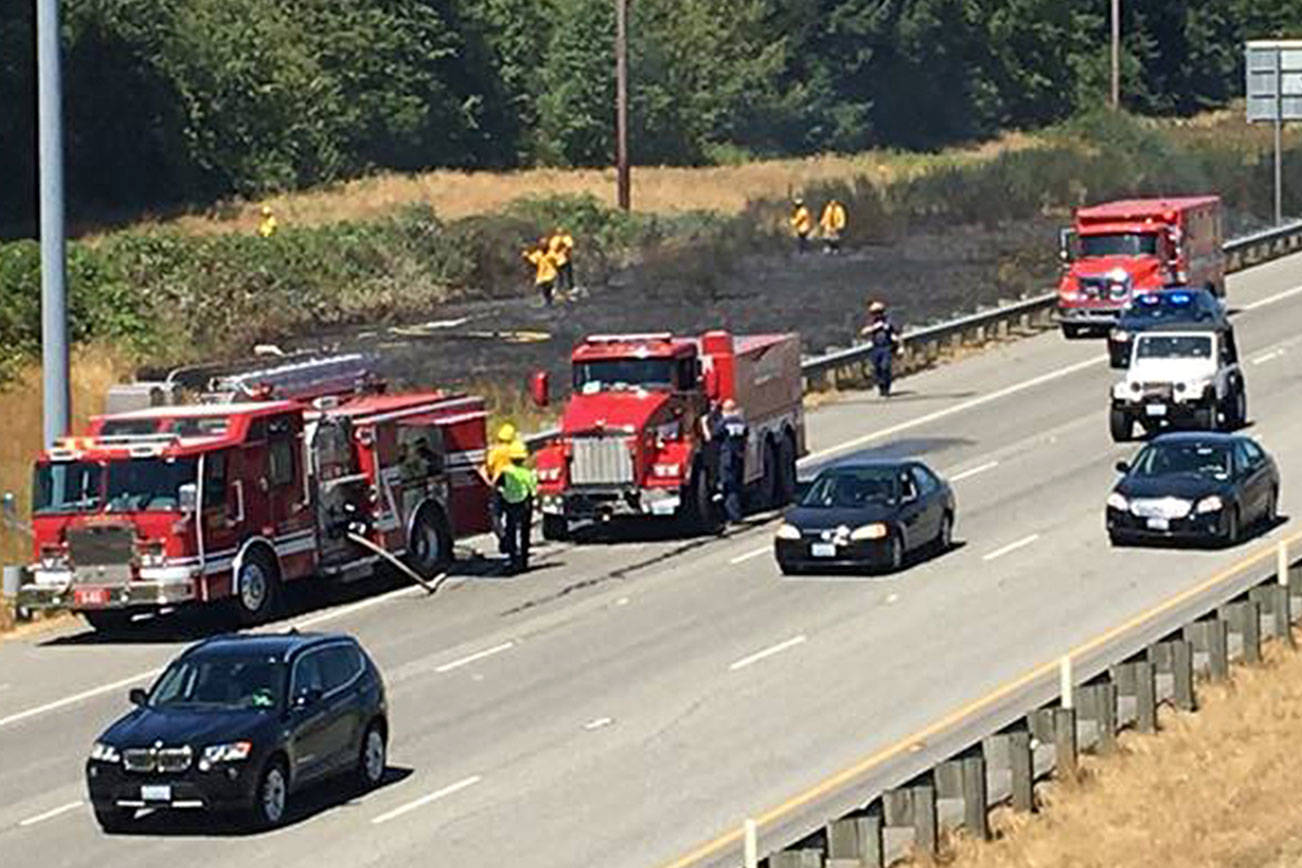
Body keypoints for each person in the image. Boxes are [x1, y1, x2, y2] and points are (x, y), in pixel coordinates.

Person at [497, 441, 537, 574]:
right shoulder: (527, 472)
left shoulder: (505, 472)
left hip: (510, 505)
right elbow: (533, 490)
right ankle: (524, 560)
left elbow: (498, 486)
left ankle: (514, 559)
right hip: (525, 504)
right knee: (525, 533)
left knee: (511, 531)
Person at [480, 423, 521, 552]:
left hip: (498, 484)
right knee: (511, 517)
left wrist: (489, 482)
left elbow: (485, 468)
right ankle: (512, 545)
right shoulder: (515, 451)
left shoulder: (495, 452)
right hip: (512, 485)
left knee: (496, 516)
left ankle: (504, 540)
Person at [712, 398, 748, 526]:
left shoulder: (725, 423)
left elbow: (714, 435)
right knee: (737, 486)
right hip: (739, 457)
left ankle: (733, 516)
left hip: (727, 458)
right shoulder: (741, 422)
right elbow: (745, 436)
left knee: (727, 486)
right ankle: (737, 512)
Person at [860, 300, 899, 397]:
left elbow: (896, 333)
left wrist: (899, 346)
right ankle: (881, 386)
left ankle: (887, 387)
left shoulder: (888, 321)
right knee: (877, 368)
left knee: (885, 367)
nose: (877, 314)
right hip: (876, 348)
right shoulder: (871, 322)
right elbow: (863, 332)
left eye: (879, 312)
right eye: (874, 313)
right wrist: (874, 328)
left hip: (886, 347)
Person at [524, 238, 559, 306]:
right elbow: (532, 260)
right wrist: (527, 256)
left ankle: (552, 295)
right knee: (544, 289)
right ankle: (548, 300)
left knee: (549, 286)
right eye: (542, 244)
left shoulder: (551, 253)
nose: (543, 246)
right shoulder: (538, 254)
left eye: (545, 244)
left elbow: (557, 261)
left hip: (550, 274)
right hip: (542, 275)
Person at [549, 228, 575, 296]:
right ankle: (558, 289)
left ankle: (570, 288)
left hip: (565, 260)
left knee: (568, 274)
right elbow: (552, 248)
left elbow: (570, 246)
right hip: (558, 261)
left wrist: (565, 248)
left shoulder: (566, 238)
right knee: (559, 276)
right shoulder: (554, 239)